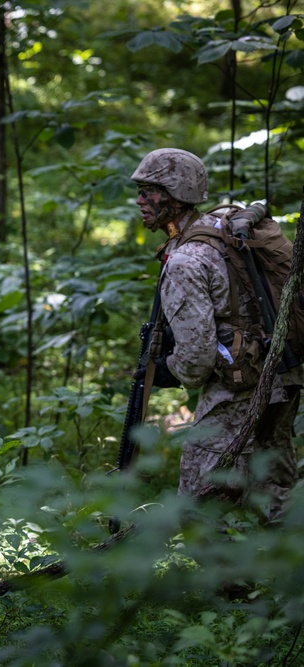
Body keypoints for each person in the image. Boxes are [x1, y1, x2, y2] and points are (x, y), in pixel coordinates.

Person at [131, 147, 303, 522]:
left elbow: (194, 363)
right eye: (140, 191)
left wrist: (166, 368)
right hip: (281, 374)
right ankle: (283, 575)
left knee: (198, 507)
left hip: (238, 389)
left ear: (174, 198)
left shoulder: (185, 261)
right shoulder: (223, 227)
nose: (140, 200)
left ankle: (227, 582)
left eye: (149, 191)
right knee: (275, 493)